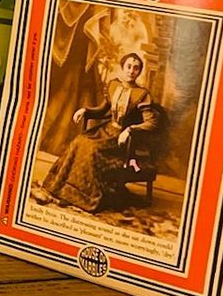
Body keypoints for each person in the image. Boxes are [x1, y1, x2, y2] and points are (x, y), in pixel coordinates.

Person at [32, 52, 162, 211]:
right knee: (79, 141)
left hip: (122, 141)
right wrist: (85, 110)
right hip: (105, 130)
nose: (131, 71)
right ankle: (58, 188)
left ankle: (80, 197)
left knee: (92, 149)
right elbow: (102, 110)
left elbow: (152, 123)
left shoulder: (142, 95)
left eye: (136, 68)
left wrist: (129, 130)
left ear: (139, 72)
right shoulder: (114, 85)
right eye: (128, 66)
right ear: (122, 68)